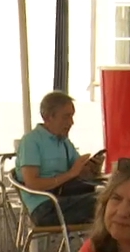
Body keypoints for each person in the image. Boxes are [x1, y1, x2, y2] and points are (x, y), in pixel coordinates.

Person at [14, 91, 98, 227]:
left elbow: (79, 173)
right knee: (106, 205)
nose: (71, 122)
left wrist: (92, 168)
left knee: (109, 199)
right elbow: (32, 183)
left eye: (72, 116)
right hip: (44, 207)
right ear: (48, 117)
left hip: (63, 199)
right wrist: (71, 174)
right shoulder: (32, 141)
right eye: (66, 117)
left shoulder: (63, 141)